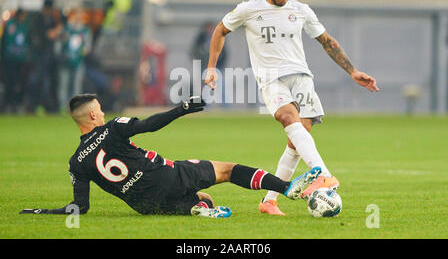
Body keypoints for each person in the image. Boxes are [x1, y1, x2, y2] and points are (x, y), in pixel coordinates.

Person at [204, 0, 379, 216]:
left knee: (296, 141)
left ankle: (269, 201)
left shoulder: (301, 11)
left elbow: (327, 41)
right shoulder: (249, 9)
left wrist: (352, 71)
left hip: (302, 78)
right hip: (271, 78)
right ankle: (324, 175)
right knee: (287, 117)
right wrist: (211, 67)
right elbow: (221, 31)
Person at [19, 94, 321, 218]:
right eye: (99, 108)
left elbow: (79, 207)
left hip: (144, 204)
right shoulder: (113, 128)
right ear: (95, 113)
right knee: (228, 170)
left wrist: (42, 213)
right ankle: (288, 188)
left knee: (206, 199)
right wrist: (182, 109)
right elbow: (150, 125)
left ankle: (197, 208)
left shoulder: (75, 162)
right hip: (166, 175)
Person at [58, 8, 91, 111]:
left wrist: (81, 53)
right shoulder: (66, 29)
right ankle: (63, 106)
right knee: (64, 84)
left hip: (78, 61)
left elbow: (87, 47)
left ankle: (74, 107)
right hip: (66, 61)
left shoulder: (85, 30)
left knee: (76, 85)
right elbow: (60, 43)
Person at [0, 9, 30, 113]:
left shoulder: (25, 26)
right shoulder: (10, 25)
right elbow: (4, 43)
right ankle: (6, 105)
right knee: (9, 83)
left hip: (21, 61)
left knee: (19, 84)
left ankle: (16, 105)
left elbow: (28, 42)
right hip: (9, 61)